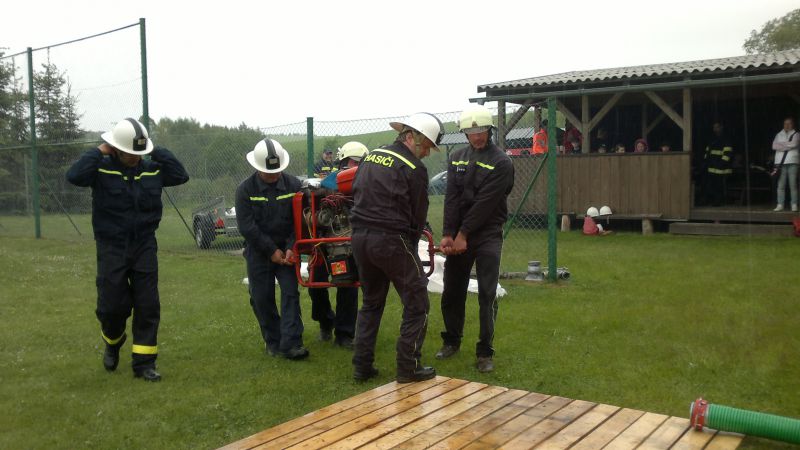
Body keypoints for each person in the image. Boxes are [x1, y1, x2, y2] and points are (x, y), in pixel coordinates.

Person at [66, 118, 189, 382]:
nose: (135, 157)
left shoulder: (152, 170)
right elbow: (74, 176)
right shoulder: (101, 169)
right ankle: (113, 341)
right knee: (112, 306)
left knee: (148, 304)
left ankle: (144, 364)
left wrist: (153, 150)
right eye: (130, 152)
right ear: (116, 148)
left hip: (144, 244)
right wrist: (100, 150)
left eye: (138, 152)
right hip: (112, 245)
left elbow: (180, 175)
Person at [349, 112, 443, 383]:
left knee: (371, 303)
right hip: (391, 239)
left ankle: (362, 366)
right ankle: (408, 367)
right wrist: (410, 247)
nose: (426, 153)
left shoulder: (371, 156)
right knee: (417, 303)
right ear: (413, 137)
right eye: (427, 146)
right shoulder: (414, 168)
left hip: (360, 238)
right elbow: (418, 215)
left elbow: (355, 192)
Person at [436, 105, 514, 374]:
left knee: (486, 293)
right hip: (459, 234)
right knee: (452, 290)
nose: (477, 137)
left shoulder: (502, 162)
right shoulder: (457, 157)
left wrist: (463, 235)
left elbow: (485, 204)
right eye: (471, 132)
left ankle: (484, 351)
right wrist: (448, 233)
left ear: (489, 131)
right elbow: (452, 198)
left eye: (481, 131)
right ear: (465, 134)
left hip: (487, 234)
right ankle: (451, 340)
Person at [235, 139, 308, 360]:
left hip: (287, 250)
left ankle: (292, 343)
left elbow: (300, 221)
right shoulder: (245, 190)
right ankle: (273, 341)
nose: (274, 175)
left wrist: (291, 247)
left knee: (290, 294)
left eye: (277, 170)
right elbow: (247, 227)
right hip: (259, 251)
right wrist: (271, 251)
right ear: (257, 167)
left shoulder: (294, 186)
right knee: (261, 298)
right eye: (269, 172)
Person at [308, 141, 369, 348]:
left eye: (360, 163)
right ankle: (325, 321)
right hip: (324, 244)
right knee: (315, 284)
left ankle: (344, 335)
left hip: (351, 244)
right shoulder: (327, 184)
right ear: (342, 162)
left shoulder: (368, 185)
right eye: (353, 162)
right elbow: (313, 213)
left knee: (348, 285)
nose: (356, 167)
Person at [703, 122, 733, 207]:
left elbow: (727, 153)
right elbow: (707, 152)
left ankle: (719, 201)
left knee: (719, 186)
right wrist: (706, 162)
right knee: (712, 185)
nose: (715, 129)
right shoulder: (712, 139)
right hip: (712, 168)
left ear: (721, 127)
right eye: (714, 127)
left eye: (717, 127)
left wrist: (720, 164)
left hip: (722, 169)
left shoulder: (726, 139)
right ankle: (713, 200)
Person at [772, 117, 799, 212]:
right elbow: (774, 146)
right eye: (785, 123)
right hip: (780, 162)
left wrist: (782, 145)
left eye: (789, 123)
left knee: (793, 184)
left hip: (792, 161)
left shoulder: (796, 134)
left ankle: (794, 204)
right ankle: (780, 204)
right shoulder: (778, 134)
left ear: (793, 124)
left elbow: (794, 144)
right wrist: (788, 145)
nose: (787, 125)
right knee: (781, 185)